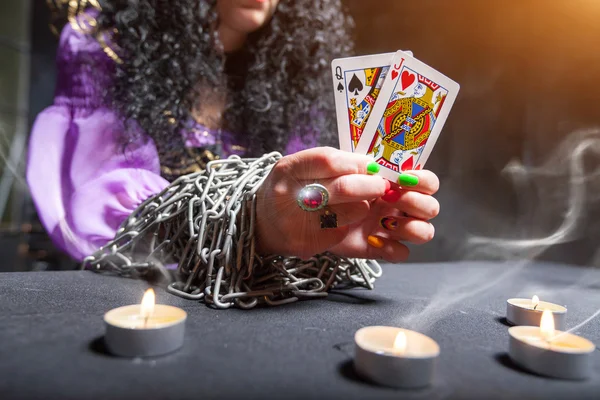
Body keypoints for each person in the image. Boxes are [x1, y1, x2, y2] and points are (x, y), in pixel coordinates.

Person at [27, 0, 439, 266]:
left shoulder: (290, 77)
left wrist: (329, 220)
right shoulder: (103, 46)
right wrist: (251, 220)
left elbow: (304, 207)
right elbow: (100, 212)